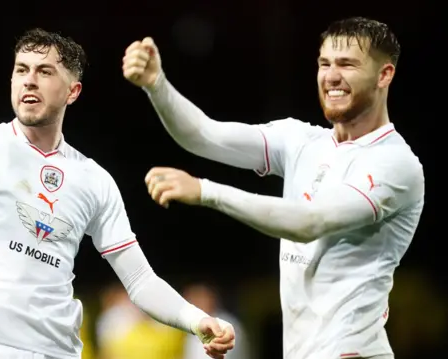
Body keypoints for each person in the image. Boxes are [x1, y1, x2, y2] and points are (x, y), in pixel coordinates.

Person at [0, 28, 235, 359]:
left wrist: (195, 320)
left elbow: (140, 280)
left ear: (73, 91)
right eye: (21, 69)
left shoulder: (93, 180)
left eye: (45, 71)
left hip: (60, 350)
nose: (29, 80)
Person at [122, 17, 424, 359]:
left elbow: (309, 223)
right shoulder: (301, 140)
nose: (332, 76)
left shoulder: (395, 163)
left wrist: (207, 191)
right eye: (324, 64)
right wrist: (156, 85)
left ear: (384, 75)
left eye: (347, 64)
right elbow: (204, 134)